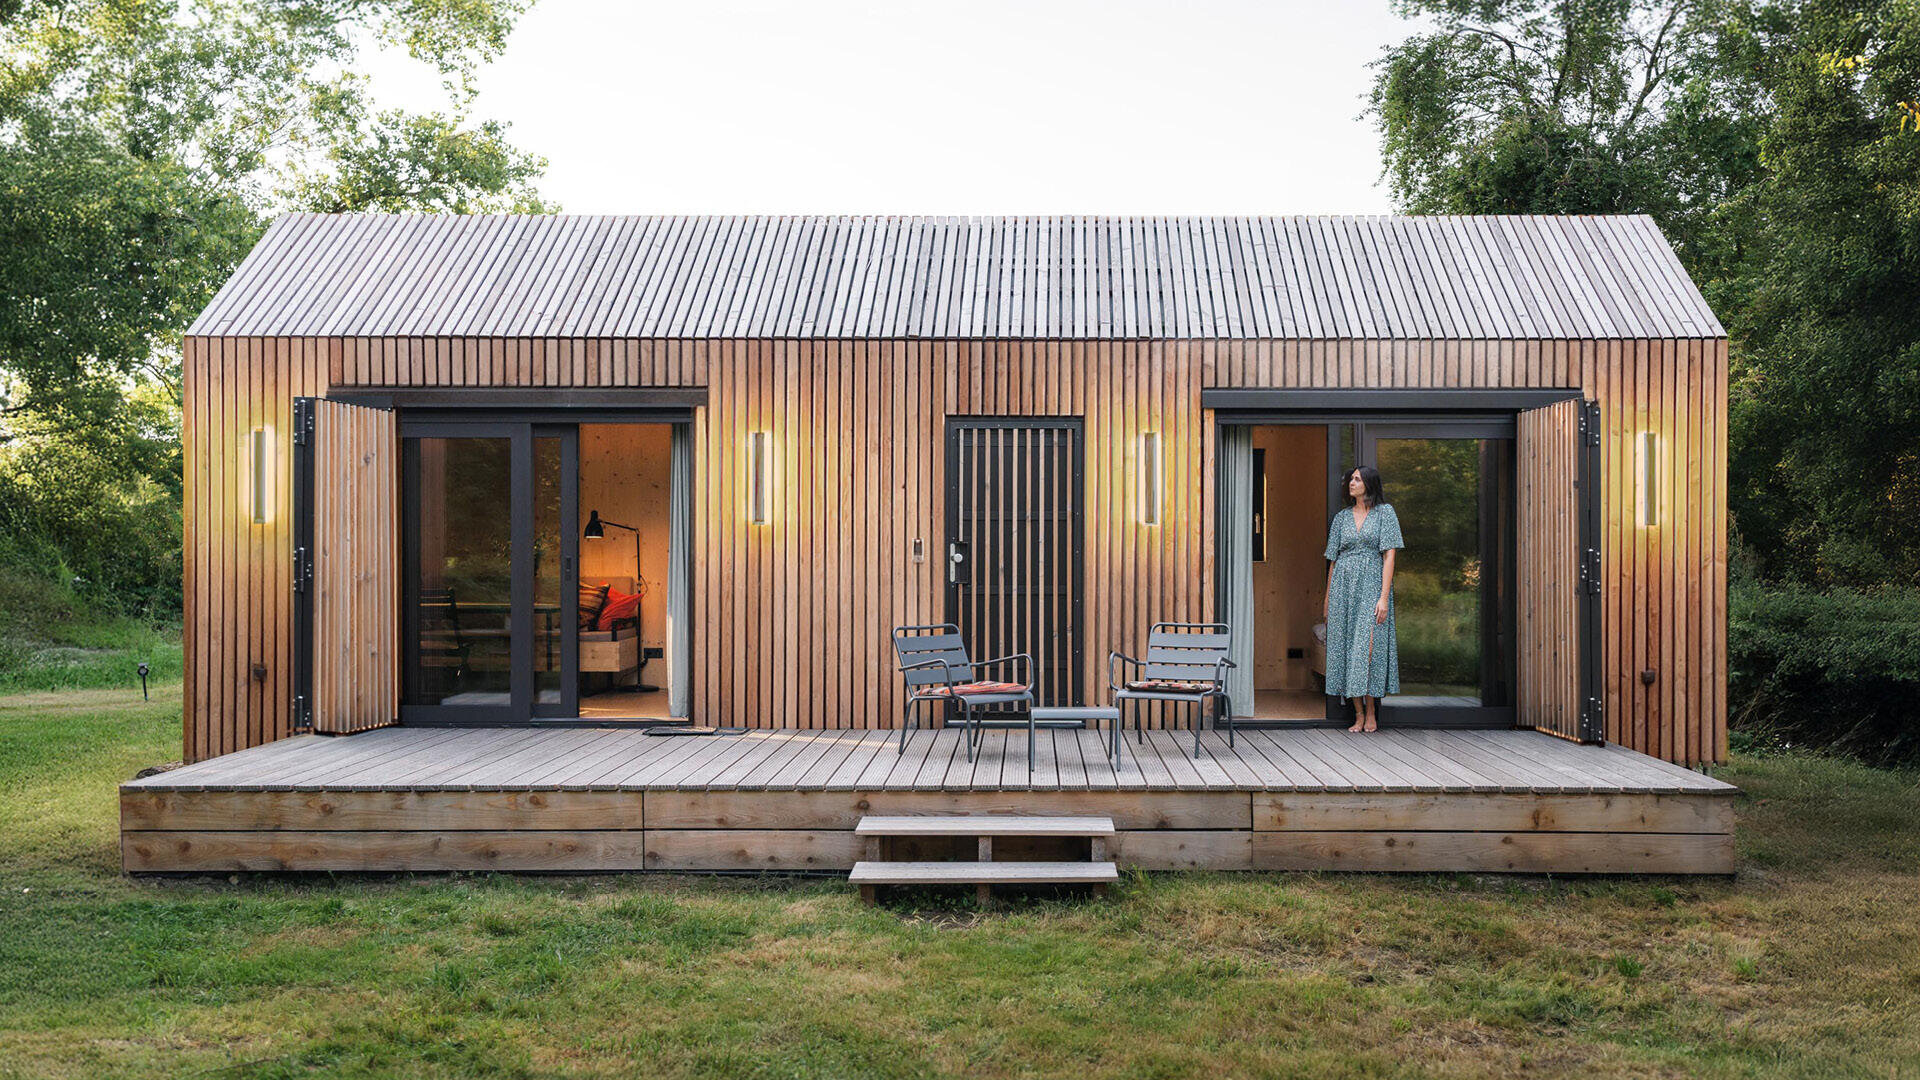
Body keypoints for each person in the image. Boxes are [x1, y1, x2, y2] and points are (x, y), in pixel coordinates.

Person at [1321, 466, 1403, 732]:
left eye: (1357, 479)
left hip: (1371, 585)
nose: (1351, 483)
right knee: (1345, 648)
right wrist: (1327, 600)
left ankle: (1371, 710)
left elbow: (1389, 555)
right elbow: (1332, 562)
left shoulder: (1385, 513)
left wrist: (1383, 597)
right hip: (1342, 588)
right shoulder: (1341, 518)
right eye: (1350, 480)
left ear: (1369, 483)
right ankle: (1357, 713)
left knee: (1366, 649)